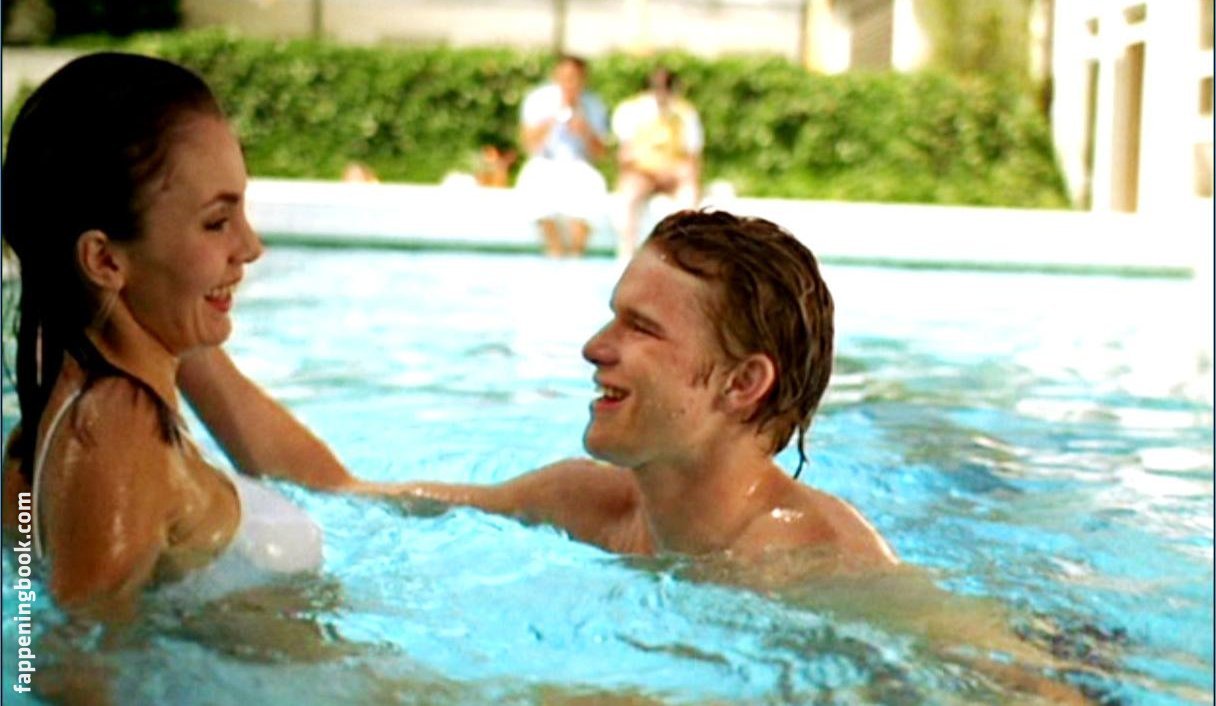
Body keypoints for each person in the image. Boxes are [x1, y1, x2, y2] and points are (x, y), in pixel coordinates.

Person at [0, 52, 407, 622]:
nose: (251, 247)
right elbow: (77, 654)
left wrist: (513, 501)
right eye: (217, 222)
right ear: (105, 260)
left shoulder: (61, 407)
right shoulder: (117, 425)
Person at [396, 209, 898, 565]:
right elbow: (381, 498)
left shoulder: (813, 564)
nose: (594, 348)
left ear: (742, 383)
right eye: (614, 318)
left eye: (641, 328)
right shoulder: (585, 500)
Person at [515, 54, 610, 258]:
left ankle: (576, 256)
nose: (570, 83)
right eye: (565, 77)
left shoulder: (593, 104)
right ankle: (554, 252)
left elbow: (601, 154)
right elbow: (527, 145)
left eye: (575, 78)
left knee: (592, 194)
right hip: (544, 162)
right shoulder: (538, 100)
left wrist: (585, 131)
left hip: (579, 165)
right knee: (534, 190)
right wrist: (551, 120)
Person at [610, 68, 704, 260]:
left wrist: (676, 173)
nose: (661, 91)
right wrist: (647, 172)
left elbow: (693, 157)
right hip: (641, 173)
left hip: (674, 174)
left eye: (666, 86)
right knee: (628, 197)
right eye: (656, 86)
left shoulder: (686, 113)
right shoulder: (631, 111)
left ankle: (685, 252)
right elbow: (625, 156)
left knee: (689, 194)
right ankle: (627, 253)